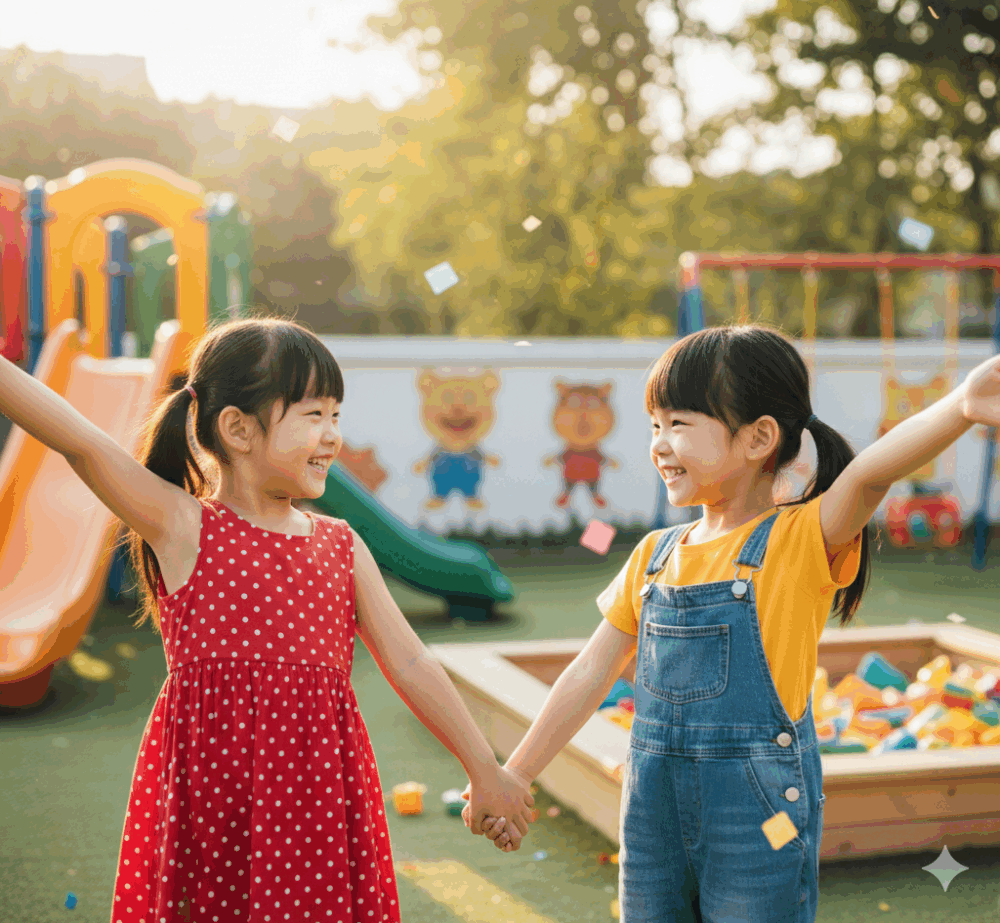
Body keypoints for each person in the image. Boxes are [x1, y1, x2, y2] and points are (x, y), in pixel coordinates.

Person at [0, 315, 534, 923]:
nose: (332, 435)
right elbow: (81, 442)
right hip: (214, 801)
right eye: (313, 415)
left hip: (318, 802)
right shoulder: (183, 527)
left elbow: (410, 661)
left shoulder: (343, 545)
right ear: (238, 429)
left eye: (336, 414)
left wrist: (484, 769)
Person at [464, 324, 1000, 923]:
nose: (660, 444)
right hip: (651, 815)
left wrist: (961, 407)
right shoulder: (653, 556)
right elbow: (591, 670)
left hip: (759, 814)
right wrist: (516, 772)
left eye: (680, 424)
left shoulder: (797, 540)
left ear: (758, 438)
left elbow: (871, 473)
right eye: (655, 426)